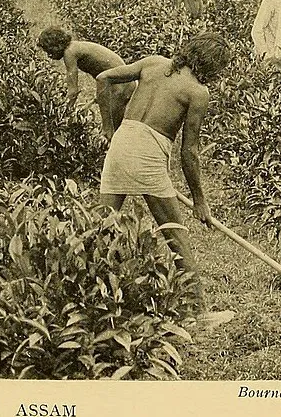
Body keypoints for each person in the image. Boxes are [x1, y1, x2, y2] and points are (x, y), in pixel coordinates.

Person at [95, 33, 234, 325]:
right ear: (211, 66)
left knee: (101, 229)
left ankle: (90, 301)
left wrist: (109, 127)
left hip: (121, 142)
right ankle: (198, 313)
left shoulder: (154, 62)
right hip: (147, 155)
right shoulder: (198, 92)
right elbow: (190, 152)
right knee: (177, 236)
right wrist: (200, 201)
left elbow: (104, 77)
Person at [37, 26, 135, 141]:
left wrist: (63, 115)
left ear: (54, 46)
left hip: (120, 85)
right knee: (116, 130)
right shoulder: (76, 46)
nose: (50, 56)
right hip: (124, 83)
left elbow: (73, 91)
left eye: (48, 51)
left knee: (109, 131)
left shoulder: (70, 52)